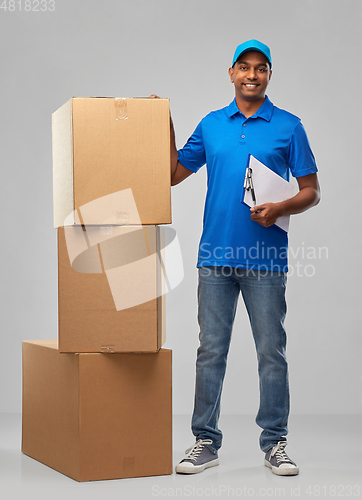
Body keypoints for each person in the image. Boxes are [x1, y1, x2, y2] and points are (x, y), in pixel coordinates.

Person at [152, 39, 320, 477]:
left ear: (268, 75)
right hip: (215, 258)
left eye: (260, 68)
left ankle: (275, 444)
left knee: (271, 352)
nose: (251, 75)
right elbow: (173, 175)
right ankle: (204, 442)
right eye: (243, 68)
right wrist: (164, 123)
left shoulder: (288, 126)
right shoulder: (211, 125)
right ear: (231, 73)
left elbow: (311, 191)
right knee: (210, 351)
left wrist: (281, 208)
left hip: (265, 260)